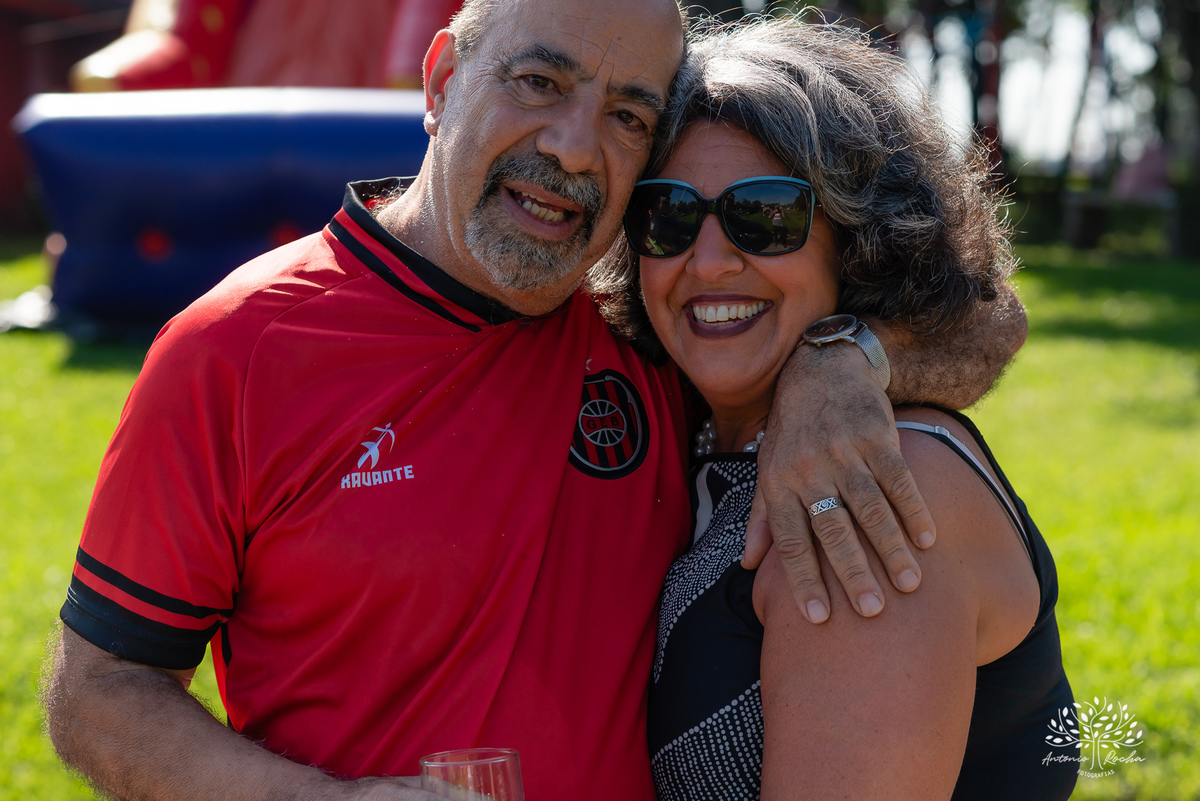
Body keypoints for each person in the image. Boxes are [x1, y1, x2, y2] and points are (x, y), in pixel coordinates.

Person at [42, 2, 1027, 801]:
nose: (573, 147)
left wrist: (838, 359)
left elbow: (985, 322)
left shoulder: (651, 315)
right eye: (538, 82)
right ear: (439, 81)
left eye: (629, 114)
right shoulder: (235, 351)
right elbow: (98, 697)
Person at [623, 17, 1077, 801]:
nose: (708, 260)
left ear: (860, 238)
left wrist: (841, 355)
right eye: (668, 215)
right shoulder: (680, 424)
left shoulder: (874, 486)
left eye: (763, 215)